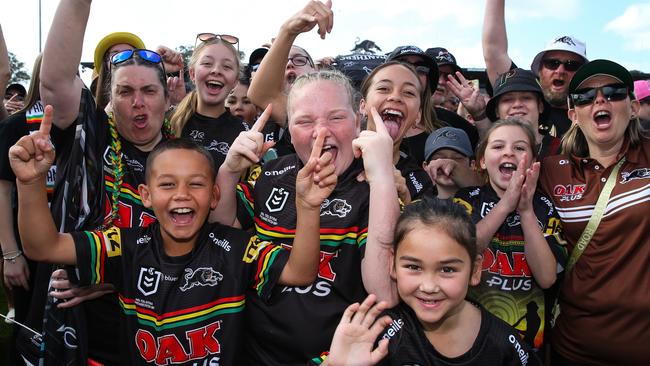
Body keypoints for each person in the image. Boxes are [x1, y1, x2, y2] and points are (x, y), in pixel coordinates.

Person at [10, 111, 332, 364]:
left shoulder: (234, 248)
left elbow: (300, 272)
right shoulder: (125, 246)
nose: (182, 195)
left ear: (215, 195)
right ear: (145, 195)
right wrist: (30, 183)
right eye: (167, 185)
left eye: (196, 184)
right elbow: (43, 246)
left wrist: (307, 206)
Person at [214, 69, 400, 365]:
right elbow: (222, 229)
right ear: (288, 130)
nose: (321, 132)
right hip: (254, 354)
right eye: (304, 121)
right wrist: (229, 169)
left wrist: (383, 178)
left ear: (357, 121)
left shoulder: (374, 189)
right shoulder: (273, 175)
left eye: (336, 118)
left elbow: (384, 291)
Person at [39, 0, 175, 362]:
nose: (138, 103)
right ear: (110, 99)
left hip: (162, 328)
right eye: (125, 92)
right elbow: (54, 82)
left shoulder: (186, 159)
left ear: (167, 98)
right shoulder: (93, 136)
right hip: (85, 331)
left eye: (149, 91)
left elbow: (200, 252)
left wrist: (109, 276)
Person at [320, 198, 542, 366]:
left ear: (474, 270)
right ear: (392, 264)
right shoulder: (374, 333)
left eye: (447, 269)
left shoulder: (505, 344)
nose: (428, 286)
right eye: (414, 267)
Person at [539, 59, 650, 366]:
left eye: (613, 92)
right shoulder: (550, 171)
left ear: (632, 108)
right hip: (575, 349)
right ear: (573, 115)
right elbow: (491, 185)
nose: (600, 100)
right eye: (586, 97)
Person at [453, 119, 566, 352]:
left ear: (533, 162)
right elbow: (459, 254)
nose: (508, 153)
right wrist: (505, 204)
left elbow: (547, 278)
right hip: (468, 338)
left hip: (528, 345)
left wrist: (525, 211)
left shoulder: (545, 207)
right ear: (482, 161)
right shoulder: (466, 199)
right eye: (497, 146)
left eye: (519, 148)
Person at [0, 53, 50, 365]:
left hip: (72, 248)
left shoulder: (88, 125)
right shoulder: (16, 125)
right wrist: (10, 254)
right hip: (26, 250)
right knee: (28, 334)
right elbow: (2, 194)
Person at [482, 0, 587, 138]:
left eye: (571, 65)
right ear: (540, 69)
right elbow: (494, 51)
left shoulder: (593, 114)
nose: (560, 70)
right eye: (552, 63)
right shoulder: (519, 91)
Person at [171, 32, 250, 170]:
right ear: (192, 74)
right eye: (207, 63)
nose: (216, 70)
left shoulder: (243, 132)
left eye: (226, 66)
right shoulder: (168, 122)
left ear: (235, 81)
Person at [359, 61, 435, 201]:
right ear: (363, 106)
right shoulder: (335, 161)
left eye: (408, 92)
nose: (395, 97)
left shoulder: (420, 181)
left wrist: (405, 199)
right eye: (383, 88)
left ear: (418, 116)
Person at [386, 45, 480, 158]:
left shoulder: (449, 122)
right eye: (404, 66)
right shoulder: (367, 122)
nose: (441, 81)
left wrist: (480, 115)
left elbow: (486, 149)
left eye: (421, 69)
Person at [484, 68, 562, 160]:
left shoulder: (563, 150)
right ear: (496, 111)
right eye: (507, 99)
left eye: (526, 98)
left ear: (540, 106)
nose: (517, 105)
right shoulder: (487, 152)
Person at [422, 127, 478, 199]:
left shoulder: (488, 200)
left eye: (457, 158)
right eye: (439, 159)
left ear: (472, 164)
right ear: (426, 166)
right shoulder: (417, 208)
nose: (447, 164)